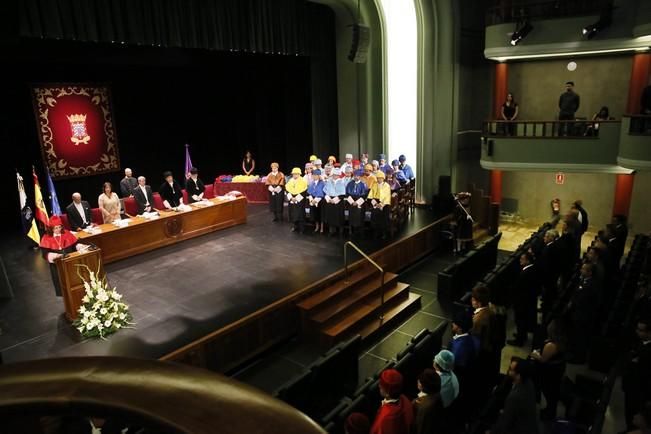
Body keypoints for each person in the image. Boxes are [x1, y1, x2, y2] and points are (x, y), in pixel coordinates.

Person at [488, 358, 539, 434]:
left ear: (518, 376)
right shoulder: (529, 382)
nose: (508, 371)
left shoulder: (514, 397)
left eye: (511, 369)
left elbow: (506, 424)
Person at [530, 319, 567, 420]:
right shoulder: (560, 341)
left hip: (548, 374)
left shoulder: (551, 345)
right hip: (555, 373)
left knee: (549, 396)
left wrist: (534, 354)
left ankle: (548, 413)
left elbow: (543, 359)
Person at [39, 216, 81, 296]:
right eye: (55, 228)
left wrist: (80, 246)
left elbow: (74, 244)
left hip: (70, 262)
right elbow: (45, 254)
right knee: (63, 287)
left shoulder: (66, 233)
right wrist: (56, 255)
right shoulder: (46, 238)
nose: (58, 230)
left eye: (59, 227)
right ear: (51, 228)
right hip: (57, 266)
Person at [623, 318, 651, 431]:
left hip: (639, 390)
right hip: (631, 386)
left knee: (634, 414)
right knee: (629, 413)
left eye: (640, 330)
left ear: (649, 332)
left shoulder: (648, 351)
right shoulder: (639, 342)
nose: (636, 331)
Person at [508, 252, 539, 347]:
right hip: (528, 301)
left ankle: (520, 340)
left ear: (528, 261)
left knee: (520, 320)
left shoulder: (526, 273)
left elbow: (520, 289)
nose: (520, 260)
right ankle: (522, 334)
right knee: (522, 321)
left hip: (522, 302)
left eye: (522, 259)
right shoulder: (532, 269)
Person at [371, 369, 414, 434]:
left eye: (381, 386)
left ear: (388, 393)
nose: (379, 386)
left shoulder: (385, 418)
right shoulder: (405, 400)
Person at [411, 369, 444, 434]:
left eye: (420, 381)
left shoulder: (423, 407)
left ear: (424, 386)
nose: (418, 381)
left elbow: (420, 429)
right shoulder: (436, 393)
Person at [323, 167, 347, 235]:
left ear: (339, 175)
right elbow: (325, 191)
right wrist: (328, 199)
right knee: (331, 216)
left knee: (339, 216)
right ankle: (331, 230)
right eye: (334, 174)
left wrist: (335, 200)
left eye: (336, 175)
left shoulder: (341, 182)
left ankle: (340, 231)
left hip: (338, 202)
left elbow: (342, 194)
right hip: (330, 200)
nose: (335, 176)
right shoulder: (329, 181)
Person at [368, 171, 391, 239]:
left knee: (384, 219)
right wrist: (375, 203)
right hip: (375, 202)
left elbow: (387, 196)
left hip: (384, 204)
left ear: (383, 178)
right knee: (375, 218)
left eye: (380, 178)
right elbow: (370, 195)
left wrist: (381, 204)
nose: (379, 179)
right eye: (377, 178)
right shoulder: (374, 185)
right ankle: (376, 232)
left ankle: (384, 233)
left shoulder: (386, 185)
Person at [346, 169, 369, 235]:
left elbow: (365, 195)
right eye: (355, 176)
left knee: (360, 217)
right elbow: (347, 194)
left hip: (360, 203)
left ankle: (360, 232)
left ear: (360, 177)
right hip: (351, 202)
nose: (356, 177)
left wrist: (357, 202)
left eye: (357, 176)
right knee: (352, 217)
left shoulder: (363, 185)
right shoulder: (350, 184)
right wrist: (352, 202)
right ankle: (351, 231)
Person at [286, 167, 308, 233]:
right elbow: (287, 190)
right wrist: (291, 198)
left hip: (299, 200)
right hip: (292, 200)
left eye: (296, 174)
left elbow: (304, 192)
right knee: (293, 213)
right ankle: (295, 226)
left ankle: (302, 228)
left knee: (300, 214)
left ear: (299, 174)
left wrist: (296, 198)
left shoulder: (303, 181)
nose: (295, 175)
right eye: (294, 174)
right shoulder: (290, 181)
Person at [307, 169, 326, 233]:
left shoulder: (322, 183)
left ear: (319, 176)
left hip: (320, 200)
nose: (315, 176)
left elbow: (322, 192)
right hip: (313, 200)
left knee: (321, 214)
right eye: (314, 175)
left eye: (316, 175)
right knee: (315, 214)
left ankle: (322, 227)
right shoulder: (311, 183)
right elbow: (309, 192)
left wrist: (316, 200)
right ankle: (317, 226)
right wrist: (311, 199)